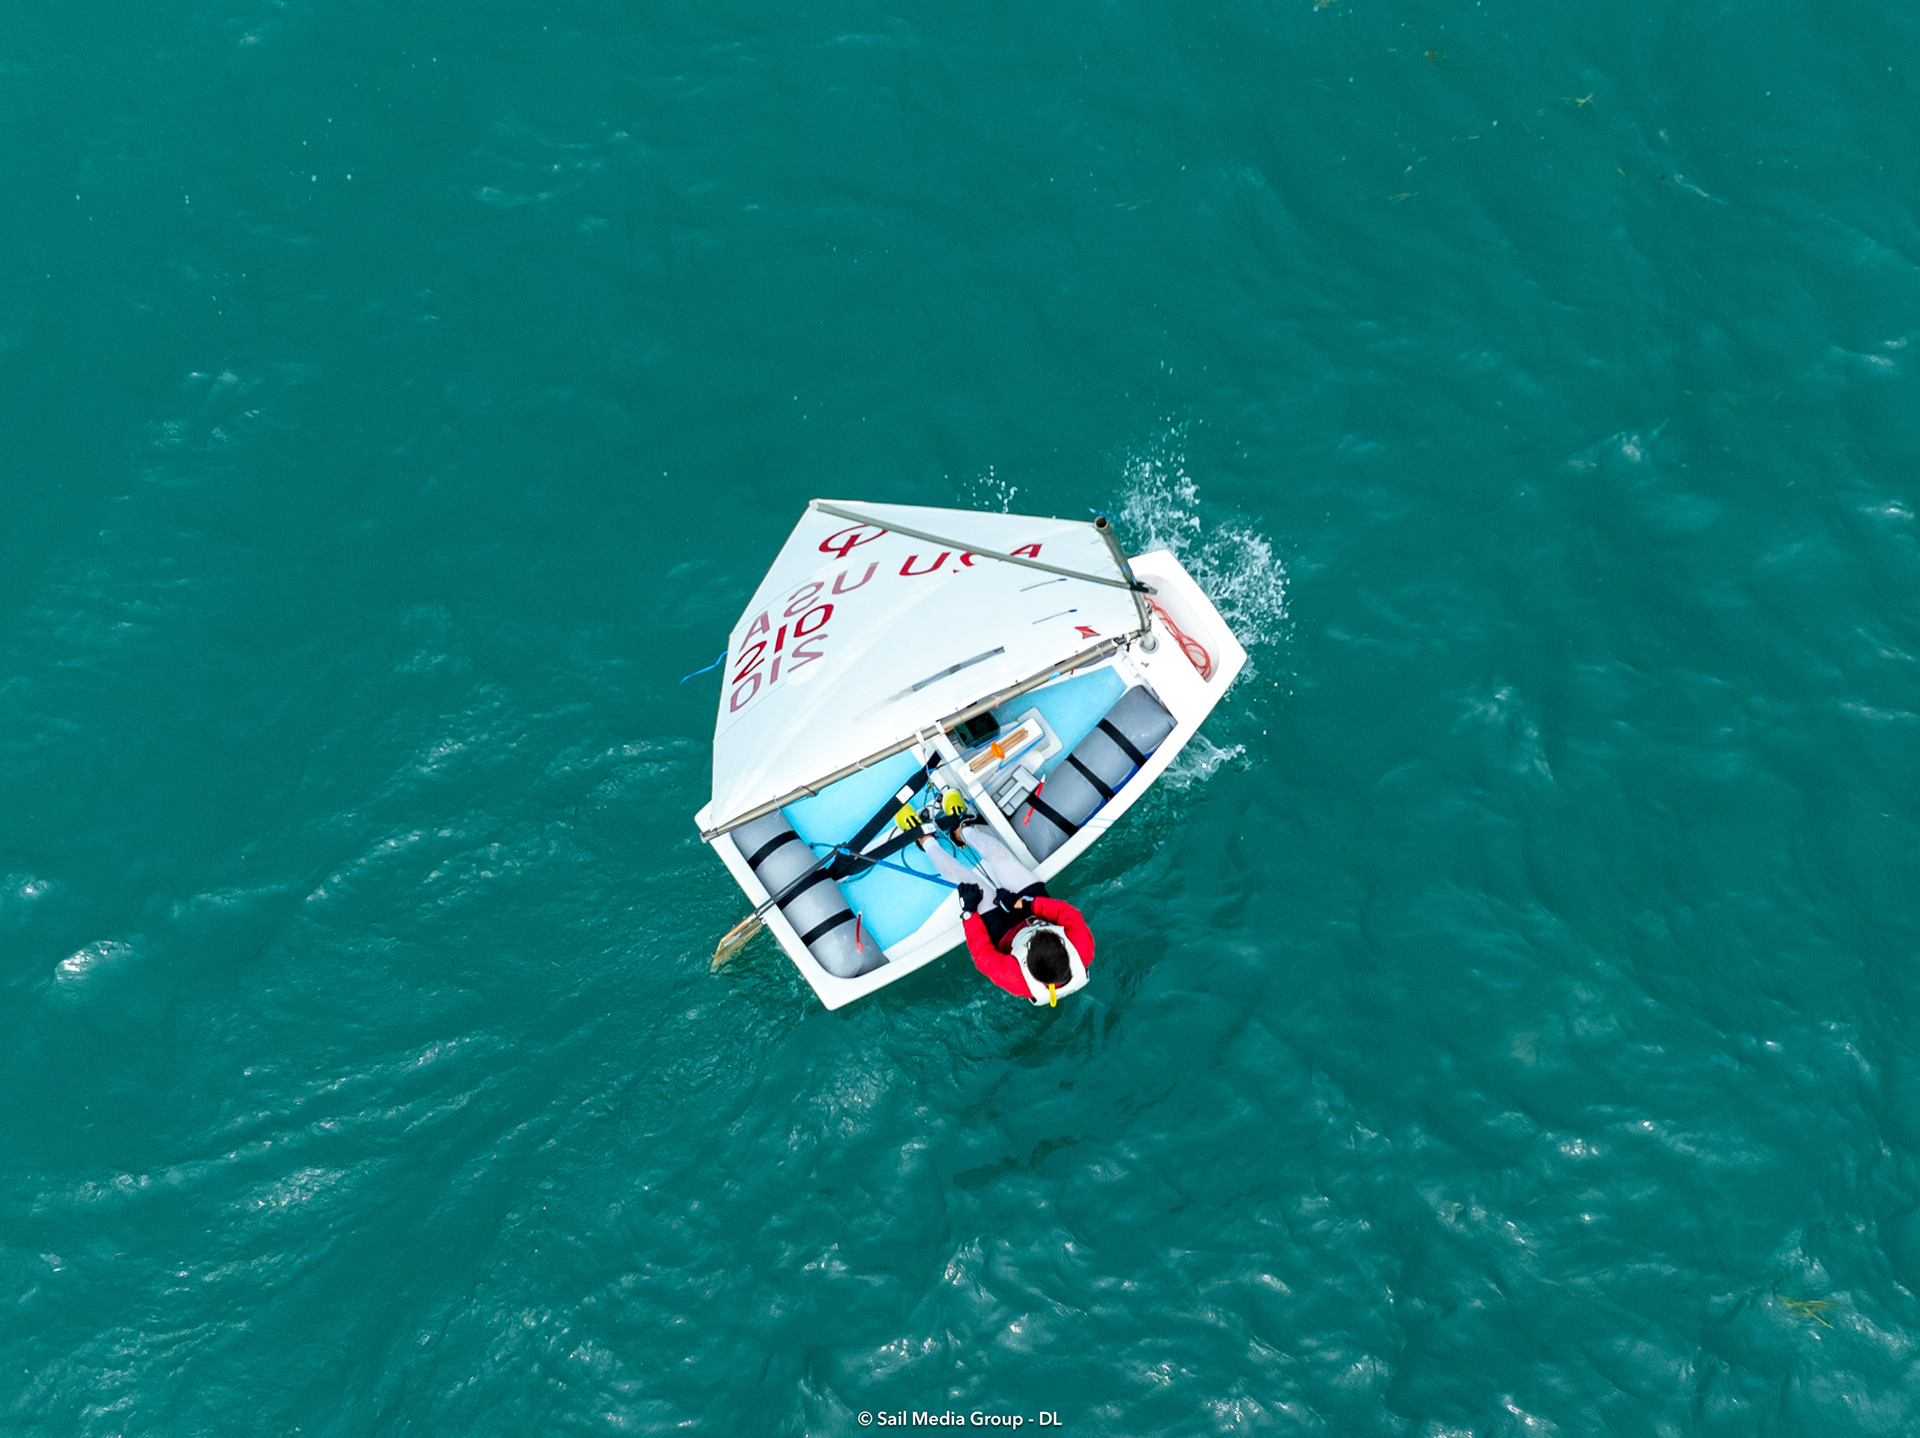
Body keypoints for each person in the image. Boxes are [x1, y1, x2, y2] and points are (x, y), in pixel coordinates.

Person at [904, 794, 1095, 1006]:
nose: (1036, 933)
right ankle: (963, 831)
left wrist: (969, 912)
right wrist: (1026, 904)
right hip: (1035, 912)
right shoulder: (1082, 946)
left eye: (1034, 940)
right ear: (1062, 943)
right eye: (1045, 934)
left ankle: (925, 841)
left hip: (1004, 933)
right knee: (1000, 856)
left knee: (965, 881)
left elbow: (982, 955)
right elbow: (1065, 913)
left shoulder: (1016, 980)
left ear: (1028, 961)